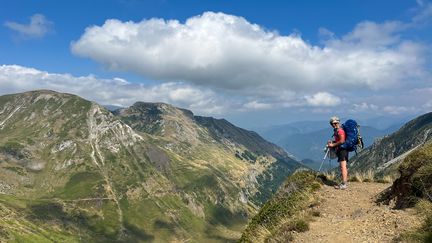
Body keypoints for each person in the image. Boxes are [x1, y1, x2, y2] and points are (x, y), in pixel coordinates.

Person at [327, 116, 348, 190]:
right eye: (332, 124)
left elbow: (342, 141)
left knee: (343, 167)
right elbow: (339, 141)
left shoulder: (340, 131)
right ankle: (344, 183)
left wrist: (333, 145)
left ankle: (344, 184)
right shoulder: (337, 130)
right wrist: (333, 142)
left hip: (343, 150)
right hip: (341, 150)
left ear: (338, 122)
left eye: (335, 123)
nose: (334, 125)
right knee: (342, 167)